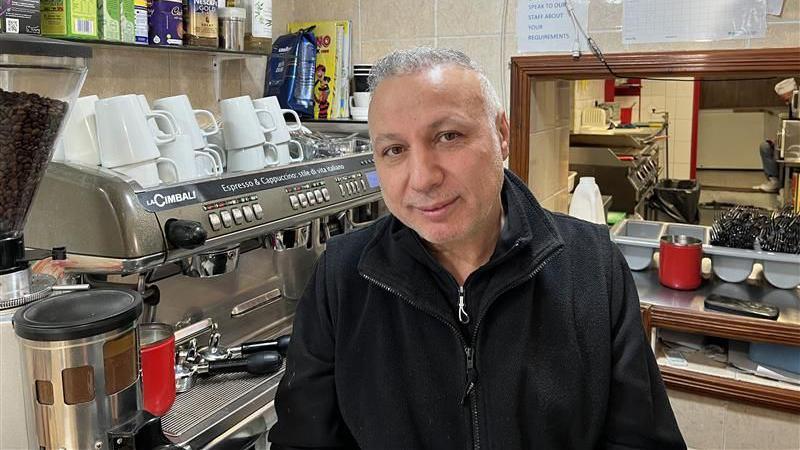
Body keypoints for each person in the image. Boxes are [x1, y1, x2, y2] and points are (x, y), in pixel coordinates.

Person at [268, 48, 685, 449]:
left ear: (501, 135)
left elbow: (641, 440)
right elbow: (303, 441)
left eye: (448, 136)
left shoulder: (592, 267)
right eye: (394, 150)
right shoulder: (342, 278)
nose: (423, 178)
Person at [754, 77, 797, 192]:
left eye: (786, 98)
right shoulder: (792, 106)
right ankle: (774, 181)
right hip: (790, 141)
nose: (785, 101)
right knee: (766, 146)